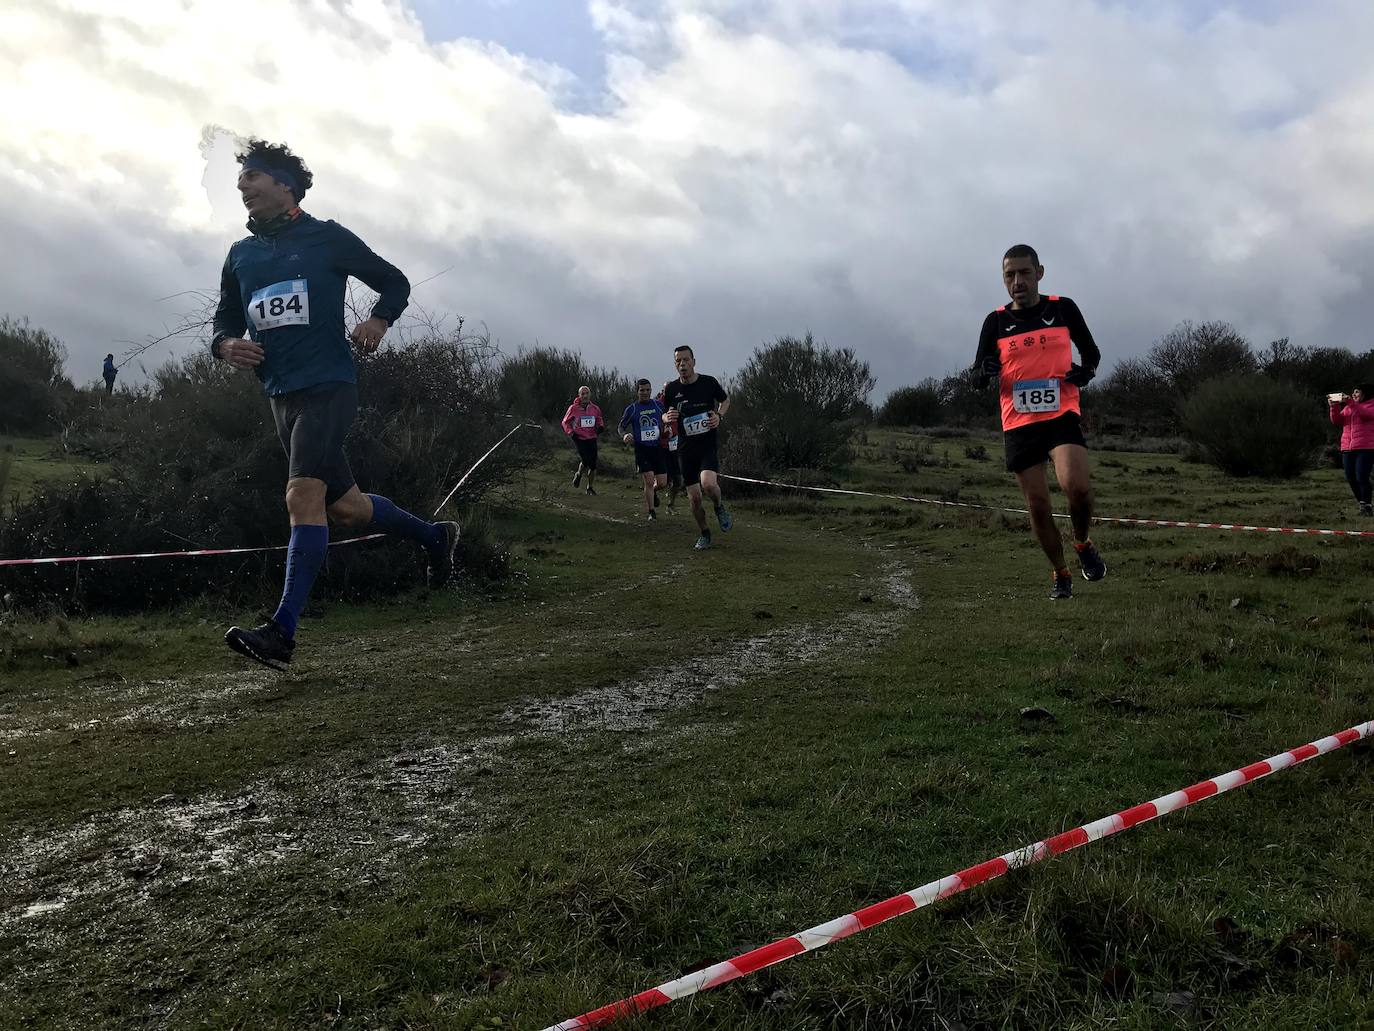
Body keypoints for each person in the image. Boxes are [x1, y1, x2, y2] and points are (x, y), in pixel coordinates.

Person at [210, 138, 459, 670]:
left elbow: (394, 281)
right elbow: (224, 319)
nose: (242, 186)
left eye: (252, 177)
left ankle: (282, 632)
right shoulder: (241, 254)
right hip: (279, 395)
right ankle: (435, 538)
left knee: (301, 495)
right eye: (240, 181)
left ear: (285, 185)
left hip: (329, 386)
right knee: (347, 508)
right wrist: (225, 345)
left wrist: (378, 319)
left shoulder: (327, 239)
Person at [972, 244, 1107, 600]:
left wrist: (1087, 372)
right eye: (1009, 275)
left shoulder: (1063, 308)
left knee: (1076, 487)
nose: (1017, 281)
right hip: (1019, 422)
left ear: (1039, 273)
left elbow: (1091, 352)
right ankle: (1061, 575)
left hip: (1061, 413)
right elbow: (976, 373)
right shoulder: (996, 321)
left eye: (1024, 273)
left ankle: (1082, 543)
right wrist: (983, 372)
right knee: (1038, 505)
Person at [662, 345, 732, 550]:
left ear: (693, 361)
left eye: (685, 360)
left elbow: (725, 400)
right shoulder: (672, 389)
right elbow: (665, 413)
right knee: (694, 498)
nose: (682, 364)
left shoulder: (708, 382)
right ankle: (705, 534)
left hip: (707, 445)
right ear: (675, 364)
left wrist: (719, 416)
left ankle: (719, 507)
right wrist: (667, 417)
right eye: (678, 361)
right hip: (685, 449)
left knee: (709, 484)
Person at [619, 379, 668, 520]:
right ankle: (651, 512)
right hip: (641, 449)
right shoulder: (632, 409)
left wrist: (668, 428)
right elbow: (621, 427)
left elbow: (666, 420)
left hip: (657, 448)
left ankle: (653, 492)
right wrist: (625, 435)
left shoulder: (658, 405)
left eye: (648, 390)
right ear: (637, 391)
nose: (645, 393)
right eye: (642, 390)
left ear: (651, 390)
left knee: (663, 483)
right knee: (648, 480)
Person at [1328, 385, 1374, 516]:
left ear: (1366, 394)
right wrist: (1334, 406)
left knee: (1362, 477)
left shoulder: (1370, 406)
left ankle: (1367, 505)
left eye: (1357, 392)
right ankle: (1362, 504)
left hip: (1366, 447)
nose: (1354, 395)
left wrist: (1350, 402)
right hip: (1347, 447)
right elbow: (1337, 420)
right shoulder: (1349, 407)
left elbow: (1365, 415)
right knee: (1350, 477)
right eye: (1353, 392)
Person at [561, 386, 605, 494]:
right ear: (579, 396)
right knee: (585, 460)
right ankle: (579, 474)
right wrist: (571, 432)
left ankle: (590, 487)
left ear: (590, 395)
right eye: (582, 394)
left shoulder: (595, 408)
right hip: (579, 438)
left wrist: (600, 426)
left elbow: (599, 419)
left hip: (592, 437)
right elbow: (565, 422)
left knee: (593, 465)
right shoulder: (573, 408)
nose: (585, 396)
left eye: (587, 393)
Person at [657, 382, 684, 512]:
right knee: (664, 482)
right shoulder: (657, 405)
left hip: (676, 446)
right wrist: (663, 433)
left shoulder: (679, 404)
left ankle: (670, 505)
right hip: (661, 448)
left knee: (678, 480)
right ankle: (653, 490)